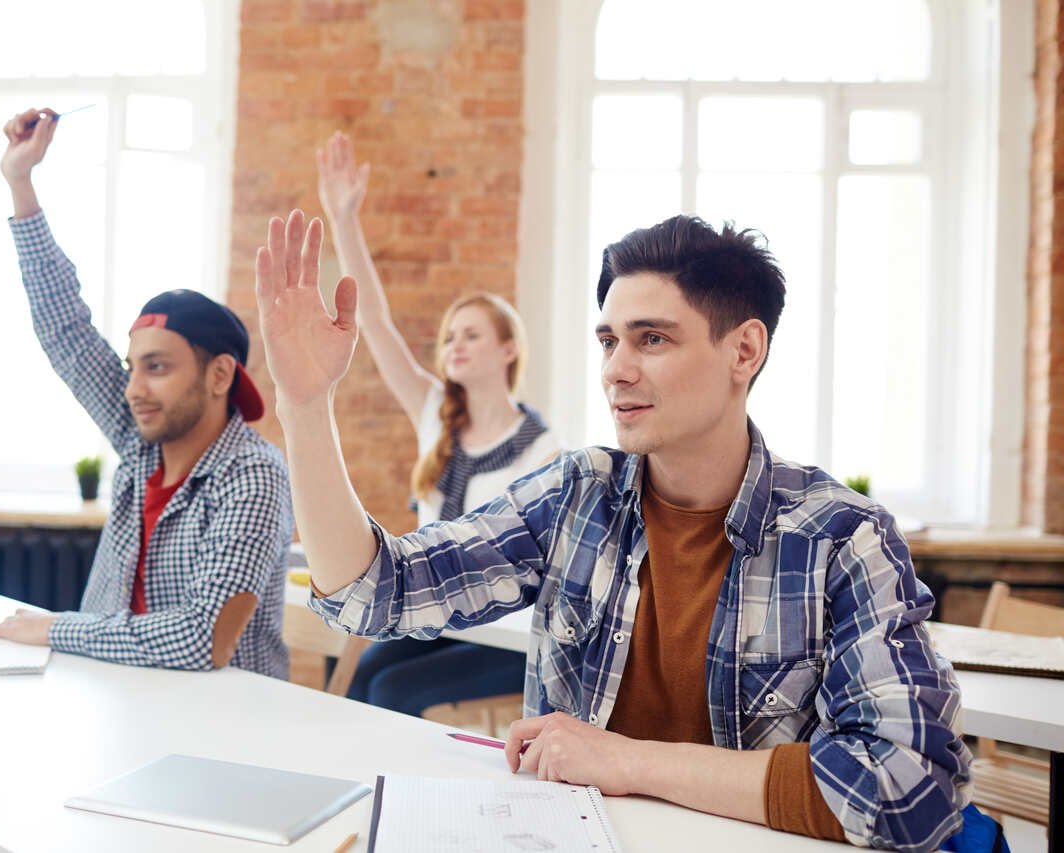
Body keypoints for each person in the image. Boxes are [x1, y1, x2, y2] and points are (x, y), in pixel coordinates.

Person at [251, 209, 973, 851]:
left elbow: (912, 788)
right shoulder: (578, 492)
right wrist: (305, 406)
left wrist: (625, 759)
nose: (616, 371)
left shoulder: (842, 535)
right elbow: (374, 591)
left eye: (651, 338)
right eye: (608, 341)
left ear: (744, 351)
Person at [0, 108, 292, 676]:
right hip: (116, 697)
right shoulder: (142, 443)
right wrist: (19, 181)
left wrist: (55, 627)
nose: (133, 389)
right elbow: (66, 331)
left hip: (221, 729)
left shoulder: (254, 474)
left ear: (220, 376)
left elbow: (206, 641)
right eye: (132, 368)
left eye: (156, 367)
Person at [315, 131, 563, 715]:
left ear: (508, 350)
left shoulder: (541, 446)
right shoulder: (435, 416)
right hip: (433, 616)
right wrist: (343, 218)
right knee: (354, 678)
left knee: (392, 691)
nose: (455, 345)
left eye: (472, 334)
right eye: (450, 336)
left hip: (505, 634)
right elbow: (374, 322)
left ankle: (409, 800)